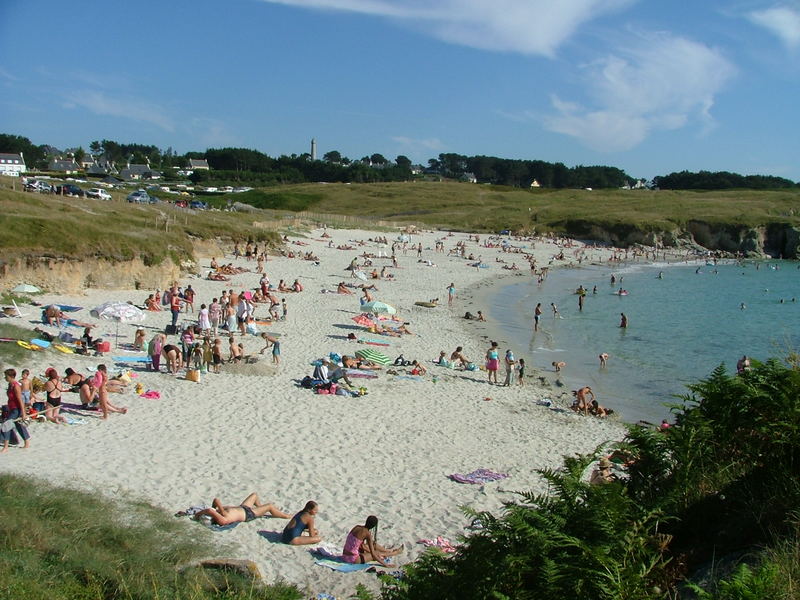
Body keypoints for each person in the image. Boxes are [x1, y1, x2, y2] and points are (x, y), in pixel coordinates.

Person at [193, 493, 291, 526]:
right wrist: (197, 515)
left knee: (254, 495)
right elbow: (210, 510)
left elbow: (216, 500)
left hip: (243, 507)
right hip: (248, 514)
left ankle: (260, 510)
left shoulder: (219, 513)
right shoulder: (223, 520)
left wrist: (215, 508)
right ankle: (286, 516)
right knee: (269, 506)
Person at [2, 369, 31, 452]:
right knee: (18, 425)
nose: (5, 378)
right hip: (12, 408)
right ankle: (27, 443)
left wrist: (23, 413)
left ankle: (6, 447)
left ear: (11, 377)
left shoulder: (16, 386)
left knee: (6, 425)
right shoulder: (10, 385)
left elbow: (20, 400)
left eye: (6, 376)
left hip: (17, 409)